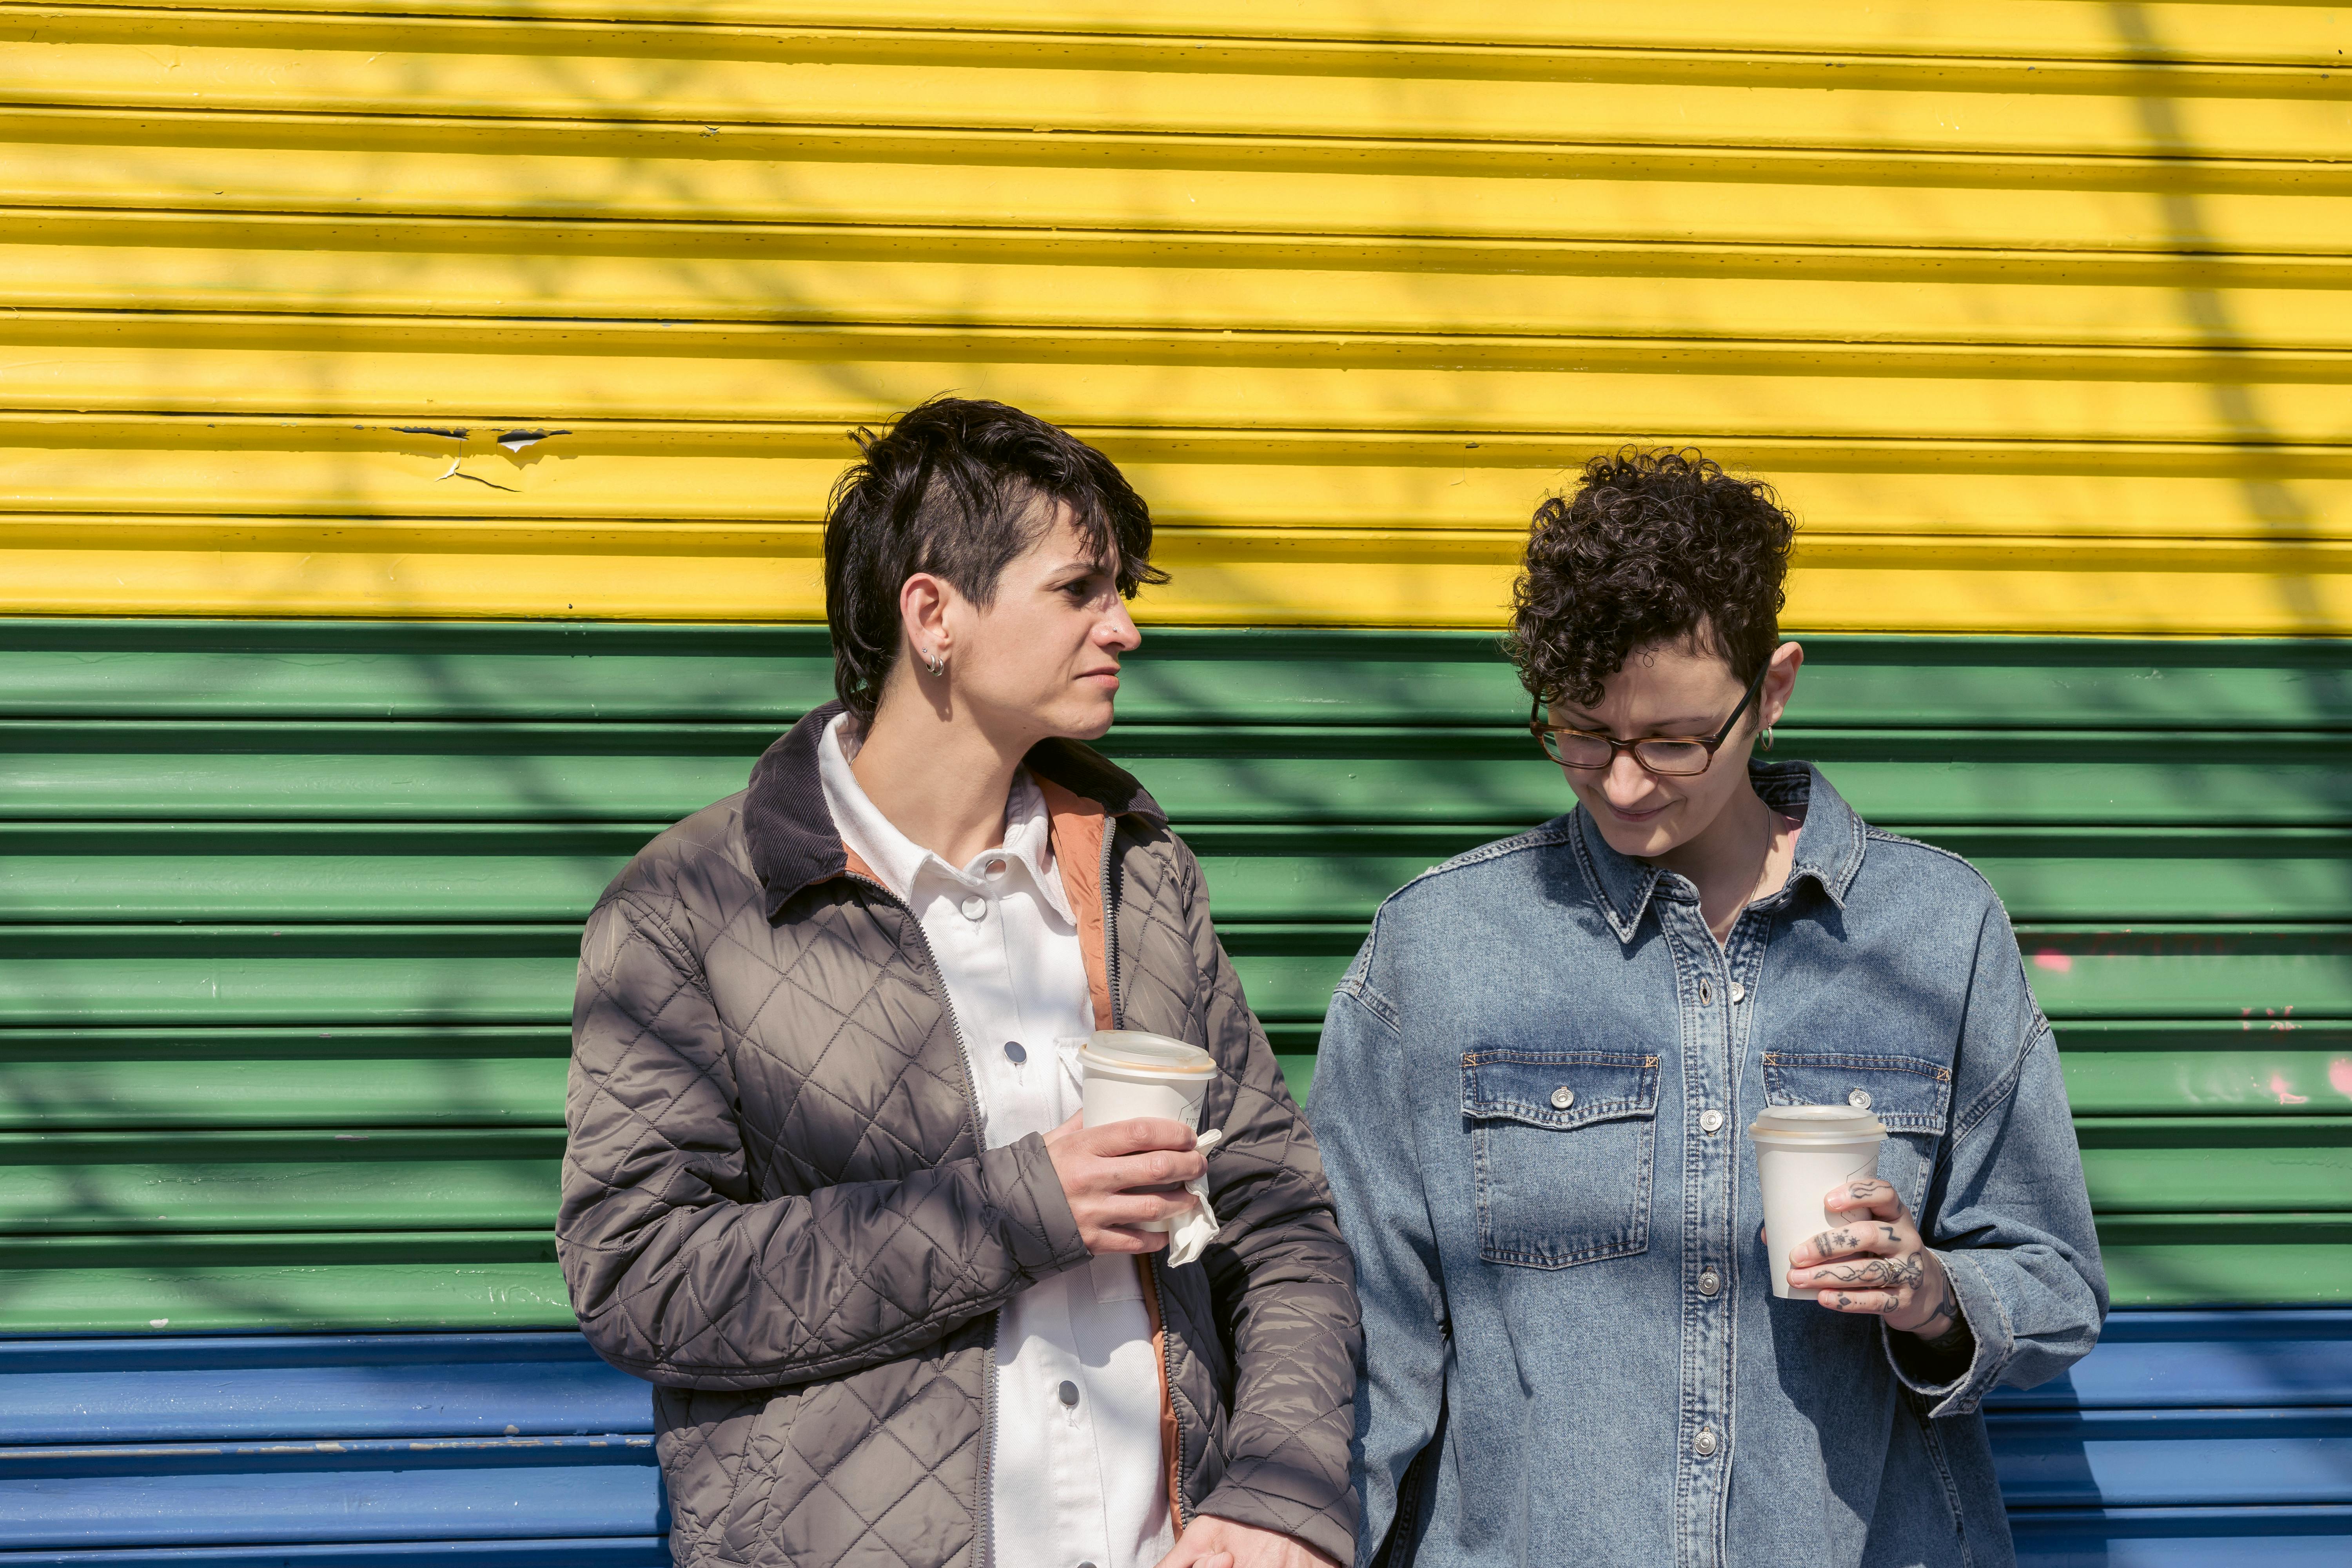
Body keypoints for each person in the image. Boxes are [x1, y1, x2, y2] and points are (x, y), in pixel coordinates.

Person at [559, 397, 1360, 1568]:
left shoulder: (1137, 874)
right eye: (1080, 590)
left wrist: (1280, 1496)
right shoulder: (693, 908)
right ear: (932, 612)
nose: (1124, 628)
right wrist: (1024, 1206)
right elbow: (641, 1279)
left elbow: (1282, 1222)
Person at [1307, 448, 2105, 1568]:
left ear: (1772, 689)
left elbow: (2055, 1281)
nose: (1625, 784)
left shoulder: (1936, 930)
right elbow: (1363, 1334)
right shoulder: (1443, 950)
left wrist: (1931, 1291)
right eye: (1583, 733)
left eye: (1674, 741)